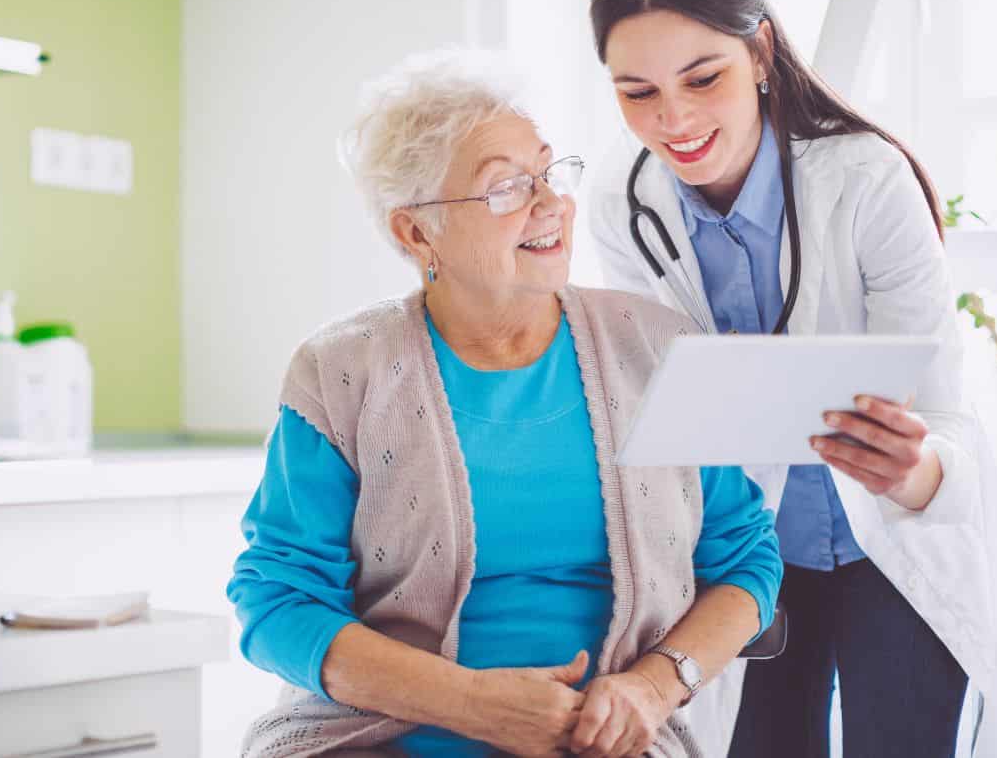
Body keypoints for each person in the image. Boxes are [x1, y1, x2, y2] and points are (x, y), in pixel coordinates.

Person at [227, 49, 783, 758]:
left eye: (550, 172)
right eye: (505, 189)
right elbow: (277, 600)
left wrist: (650, 686)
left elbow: (745, 561)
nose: (550, 203)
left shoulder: (659, 348)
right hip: (380, 738)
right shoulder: (341, 371)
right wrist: (469, 704)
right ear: (415, 231)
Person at [587, 0, 997, 758]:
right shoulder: (621, 198)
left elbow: (940, 410)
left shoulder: (868, 180)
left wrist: (913, 474)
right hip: (739, 558)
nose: (676, 119)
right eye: (638, 92)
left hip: (893, 551)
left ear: (760, 52)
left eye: (703, 77)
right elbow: (652, 398)